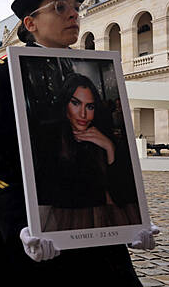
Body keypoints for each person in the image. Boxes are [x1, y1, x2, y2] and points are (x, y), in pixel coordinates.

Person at [0, 0, 159, 286]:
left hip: (94, 228)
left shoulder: (92, 72)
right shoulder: (2, 74)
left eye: (75, 7)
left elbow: (112, 162)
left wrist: (131, 218)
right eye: (60, 7)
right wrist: (21, 224)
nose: (74, 13)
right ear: (30, 23)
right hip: (35, 234)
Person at [36, 73, 141, 232]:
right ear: (65, 104)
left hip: (100, 230)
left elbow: (121, 196)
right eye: (76, 103)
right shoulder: (49, 138)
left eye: (89, 106)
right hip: (62, 228)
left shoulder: (105, 138)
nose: (83, 114)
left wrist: (109, 148)